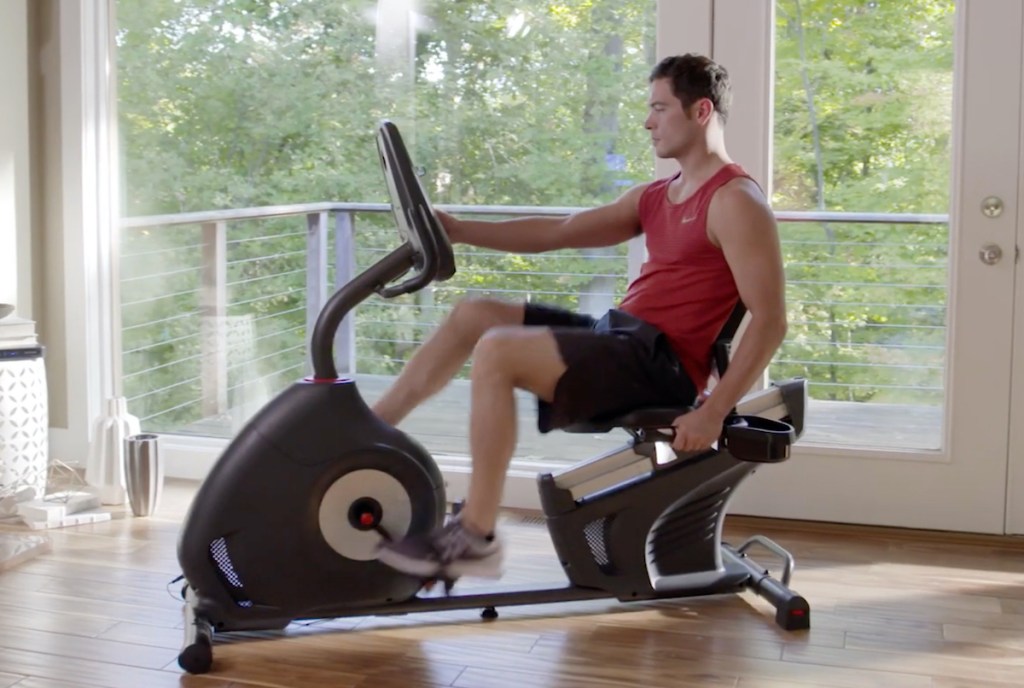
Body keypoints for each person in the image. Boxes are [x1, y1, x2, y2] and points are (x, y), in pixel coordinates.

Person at [374, 53, 787, 581]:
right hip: (619, 338)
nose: (647, 121)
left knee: (498, 349)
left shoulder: (735, 201)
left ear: (701, 110)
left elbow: (771, 319)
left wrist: (712, 414)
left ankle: (475, 536)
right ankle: (372, 430)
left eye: (660, 108)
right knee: (474, 313)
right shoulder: (656, 196)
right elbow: (560, 232)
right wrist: (461, 229)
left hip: (659, 364)